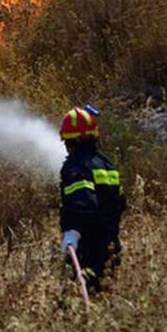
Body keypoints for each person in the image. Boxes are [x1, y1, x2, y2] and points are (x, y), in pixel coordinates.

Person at [59, 105, 126, 293]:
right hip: (111, 247)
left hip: (88, 250)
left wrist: (72, 231)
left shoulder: (75, 166)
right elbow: (121, 202)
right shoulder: (106, 163)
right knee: (105, 299)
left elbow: (82, 203)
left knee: (75, 300)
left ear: (70, 141)